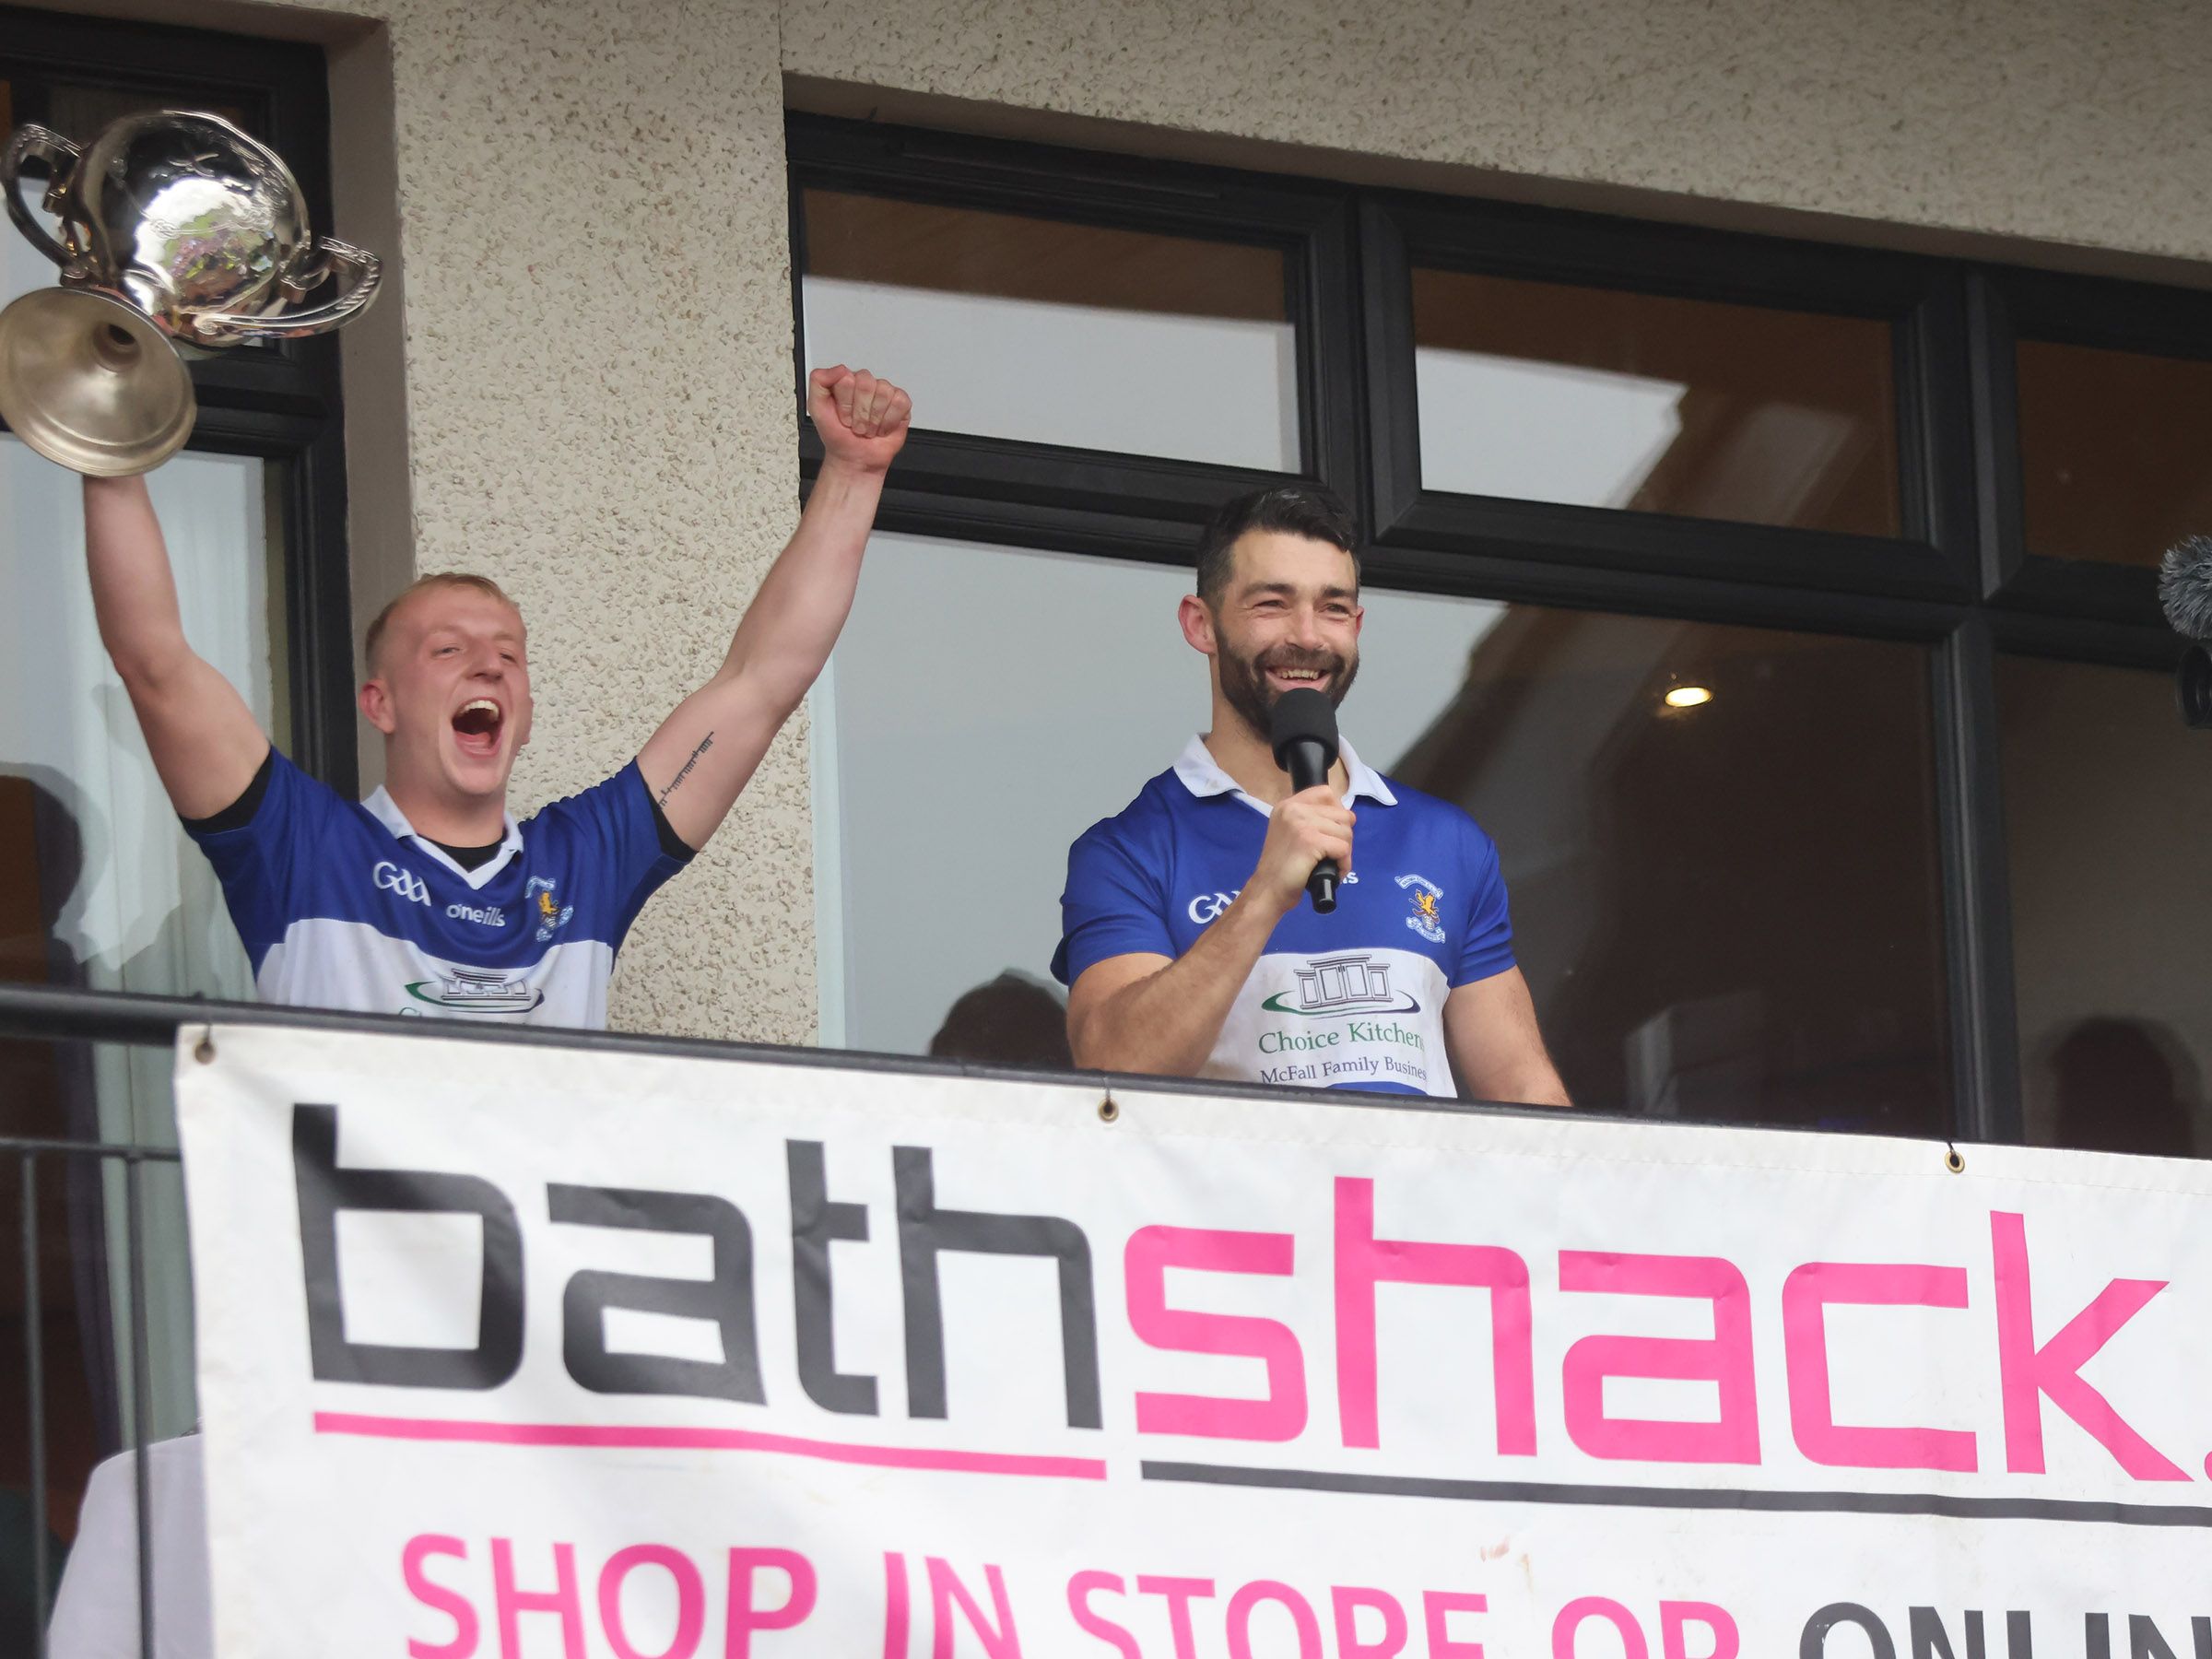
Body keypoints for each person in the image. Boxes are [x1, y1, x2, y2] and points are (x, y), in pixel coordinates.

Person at [81, 365, 911, 1025]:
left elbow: (763, 681)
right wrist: (105, 400)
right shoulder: (302, 846)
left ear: (525, 718)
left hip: (532, 1245)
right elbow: (154, 659)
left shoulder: (585, 861)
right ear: (380, 705)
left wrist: (854, 471)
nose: (487, 666)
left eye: (509, 654)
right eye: (449, 650)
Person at [1053, 484, 1571, 1104]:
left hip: (1412, 1203)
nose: (1308, 637)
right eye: (1271, 604)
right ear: (1201, 624)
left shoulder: (1445, 840)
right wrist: (1266, 894)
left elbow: (1521, 1084)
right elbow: (1114, 1067)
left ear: (1356, 625)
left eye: (1332, 608)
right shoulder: (1128, 850)